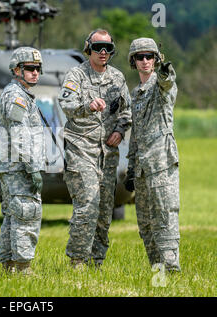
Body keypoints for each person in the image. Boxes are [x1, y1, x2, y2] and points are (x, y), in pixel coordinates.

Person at [57, 29, 132, 268]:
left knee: (103, 210)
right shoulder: (76, 74)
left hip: (108, 155)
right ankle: (77, 260)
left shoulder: (118, 78)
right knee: (88, 204)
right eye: (98, 47)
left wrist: (120, 131)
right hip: (82, 150)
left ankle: (96, 262)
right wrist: (88, 105)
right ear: (88, 48)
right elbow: (67, 104)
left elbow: (126, 112)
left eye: (108, 48)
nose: (103, 52)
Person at [124, 38, 181, 272]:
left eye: (150, 56)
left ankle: (172, 269)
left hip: (161, 164)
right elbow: (135, 134)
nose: (145, 61)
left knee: (164, 216)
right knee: (146, 223)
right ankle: (157, 272)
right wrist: (130, 169)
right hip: (141, 168)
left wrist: (166, 71)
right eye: (140, 57)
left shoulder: (161, 85)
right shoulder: (135, 93)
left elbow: (168, 83)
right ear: (134, 61)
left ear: (156, 60)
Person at [0, 47, 46, 274]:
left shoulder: (20, 94)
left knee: (13, 215)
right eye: (30, 69)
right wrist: (33, 167)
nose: (35, 73)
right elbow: (19, 134)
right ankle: (23, 268)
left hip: (12, 167)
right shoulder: (16, 96)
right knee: (27, 213)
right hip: (19, 167)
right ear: (17, 70)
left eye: (38, 69)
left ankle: (9, 266)